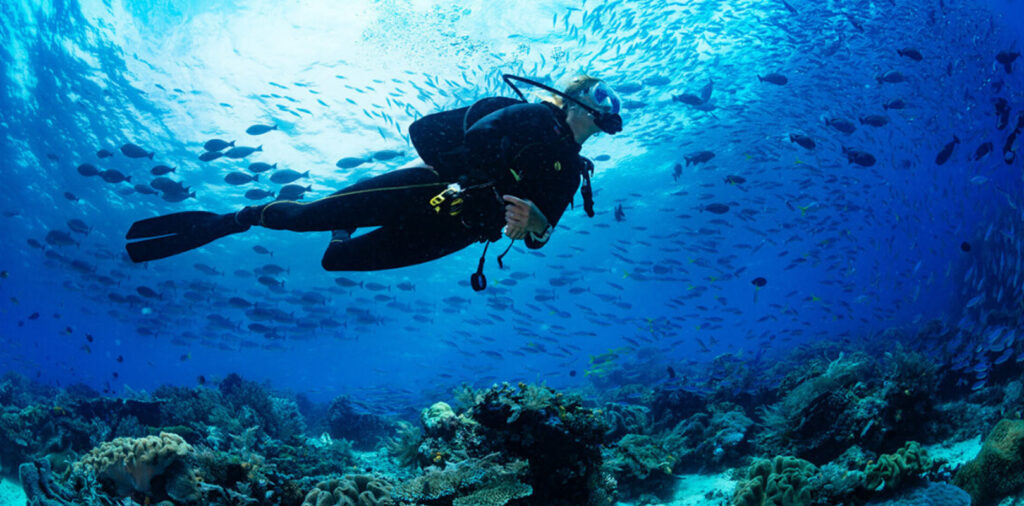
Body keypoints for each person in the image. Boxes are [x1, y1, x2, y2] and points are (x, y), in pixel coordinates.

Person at [125, 74, 622, 288]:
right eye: (603, 94)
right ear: (576, 98)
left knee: (338, 259)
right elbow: (474, 135)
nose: (610, 106)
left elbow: (540, 236)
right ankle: (240, 217)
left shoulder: (573, 172)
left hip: (461, 230)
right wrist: (490, 179)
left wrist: (534, 225)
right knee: (302, 219)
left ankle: (342, 232)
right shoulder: (534, 116)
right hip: (428, 187)